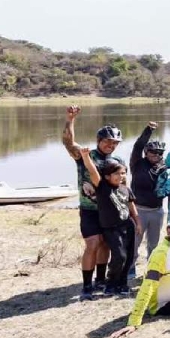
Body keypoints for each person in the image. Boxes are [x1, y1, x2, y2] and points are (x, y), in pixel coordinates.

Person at [61, 105, 124, 300]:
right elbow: (68, 142)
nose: (110, 145)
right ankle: (87, 286)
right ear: (99, 140)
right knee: (93, 243)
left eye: (114, 143)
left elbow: (123, 186)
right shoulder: (85, 154)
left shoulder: (117, 160)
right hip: (89, 209)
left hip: (109, 211)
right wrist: (70, 119)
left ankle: (100, 280)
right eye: (107, 141)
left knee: (105, 244)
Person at [80, 149, 141, 296]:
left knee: (129, 257)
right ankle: (111, 283)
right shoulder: (103, 187)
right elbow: (93, 171)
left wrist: (138, 222)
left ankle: (122, 283)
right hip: (112, 228)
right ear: (107, 176)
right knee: (119, 256)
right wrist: (86, 157)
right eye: (117, 174)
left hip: (128, 225)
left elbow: (131, 206)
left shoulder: (125, 189)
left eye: (123, 173)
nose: (121, 176)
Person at [128, 121, 166, 275]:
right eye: (153, 152)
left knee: (154, 244)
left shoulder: (163, 167)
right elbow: (137, 146)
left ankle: (152, 269)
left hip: (157, 211)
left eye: (160, 153)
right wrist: (149, 130)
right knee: (134, 241)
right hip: (139, 211)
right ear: (146, 152)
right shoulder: (137, 163)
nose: (156, 155)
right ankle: (130, 268)